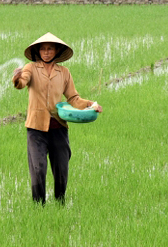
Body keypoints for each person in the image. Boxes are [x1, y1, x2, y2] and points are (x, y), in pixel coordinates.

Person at [12, 33, 102, 205]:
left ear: (57, 51)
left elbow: (74, 98)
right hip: (36, 128)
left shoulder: (64, 73)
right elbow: (22, 82)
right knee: (38, 169)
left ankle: (60, 204)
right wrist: (16, 79)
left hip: (58, 128)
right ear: (38, 51)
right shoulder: (30, 68)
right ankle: (38, 207)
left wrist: (92, 104)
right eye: (43, 49)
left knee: (61, 169)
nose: (46, 52)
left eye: (50, 48)